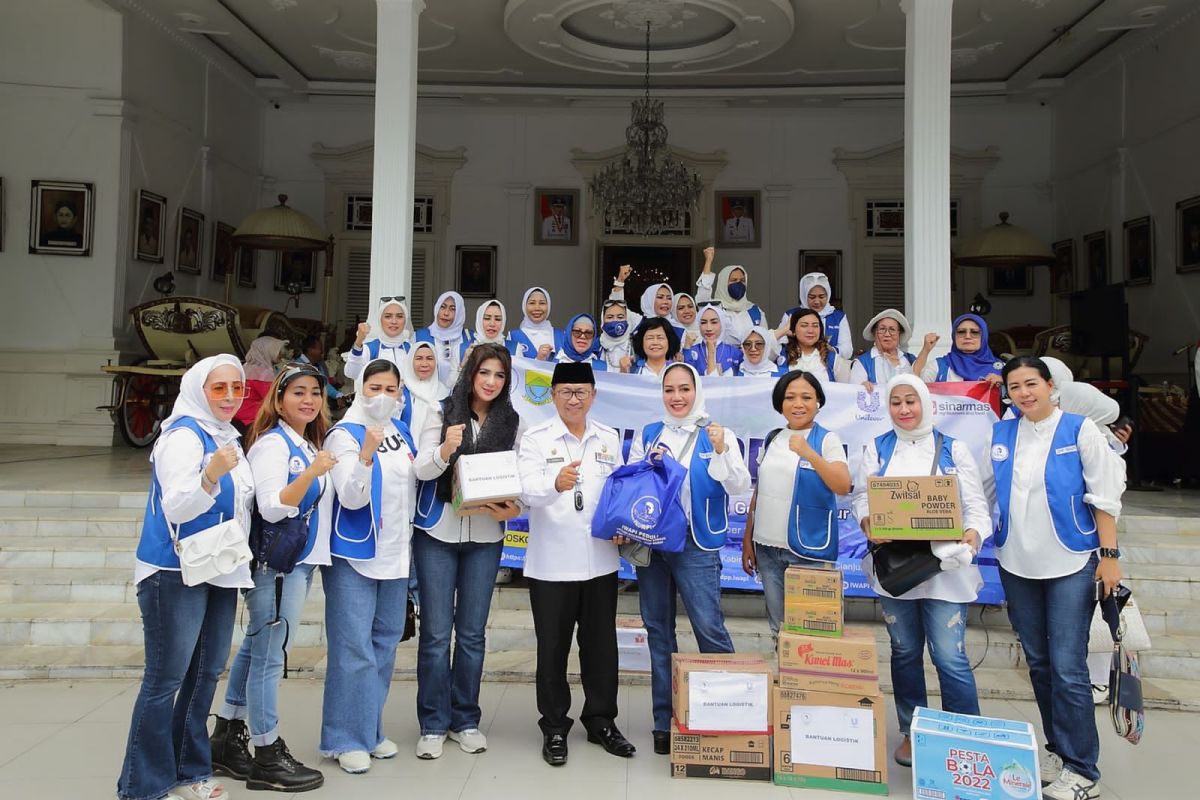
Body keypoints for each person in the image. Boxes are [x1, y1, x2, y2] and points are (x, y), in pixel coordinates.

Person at [117, 354, 253, 800]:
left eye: (238, 387)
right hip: (173, 572)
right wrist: (210, 476)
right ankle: (143, 786)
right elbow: (177, 506)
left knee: (205, 674)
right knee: (166, 679)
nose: (231, 396)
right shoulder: (182, 436)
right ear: (199, 390)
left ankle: (189, 772)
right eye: (220, 388)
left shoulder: (228, 435)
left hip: (219, 567)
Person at [991, 356, 1126, 800]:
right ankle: (1059, 751)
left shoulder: (1079, 429)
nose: (1024, 393)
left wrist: (1109, 556)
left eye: (1032, 383)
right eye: (1015, 386)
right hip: (1017, 563)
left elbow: (1104, 496)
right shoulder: (1003, 433)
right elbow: (984, 491)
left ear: (1050, 386)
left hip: (1071, 560)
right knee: (1040, 664)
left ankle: (1082, 769)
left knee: (1068, 667)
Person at [854, 375, 991, 768]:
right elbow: (862, 496)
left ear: (926, 403)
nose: (904, 410)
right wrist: (868, 522)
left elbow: (977, 505)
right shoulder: (876, 447)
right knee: (905, 651)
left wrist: (973, 534)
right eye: (896, 402)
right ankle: (913, 733)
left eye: (911, 401)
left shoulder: (954, 448)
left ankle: (965, 735)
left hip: (946, 568)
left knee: (950, 656)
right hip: (897, 570)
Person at [211, 363, 333, 792]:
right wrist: (312, 474)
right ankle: (267, 753)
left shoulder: (300, 441)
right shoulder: (273, 445)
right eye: (298, 392)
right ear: (279, 399)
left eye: (315, 393)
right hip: (276, 567)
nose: (308, 400)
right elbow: (272, 506)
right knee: (269, 656)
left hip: (293, 563)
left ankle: (226, 734)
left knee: (257, 647)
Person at [627, 362, 752, 755]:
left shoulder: (717, 432)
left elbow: (739, 485)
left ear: (697, 390)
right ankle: (663, 720)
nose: (677, 397)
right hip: (653, 544)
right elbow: (633, 483)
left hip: (697, 545)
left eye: (684, 389)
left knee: (708, 629)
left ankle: (728, 712)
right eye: (670, 390)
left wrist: (719, 448)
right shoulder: (649, 433)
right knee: (658, 632)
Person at [517, 362, 634, 766]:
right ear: (552, 396)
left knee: (601, 646)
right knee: (552, 648)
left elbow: (619, 491)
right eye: (565, 392)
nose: (573, 399)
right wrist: (554, 484)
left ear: (594, 395)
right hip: (551, 562)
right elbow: (526, 492)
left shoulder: (608, 437)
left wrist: (623, 524)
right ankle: (553, 727)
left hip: (600, 560)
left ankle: (602, 720)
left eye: (581, 391)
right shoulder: (535, 438)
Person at [411, 343, 524, 759]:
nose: (491, 382)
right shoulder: (441, 411)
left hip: (486, 537)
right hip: (438, 533)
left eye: (499, 375)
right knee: (437, 634)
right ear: (470, 374)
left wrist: (515, 505)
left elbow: (521, 479)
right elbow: (420, 468)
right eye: (484, 373)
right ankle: (433, 723)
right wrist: (444, 449)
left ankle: (466, 719)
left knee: (473, 635)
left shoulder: (514, 421)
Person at [319, 359, 420, 774]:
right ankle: (344, 738)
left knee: (384, 643)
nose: (382, 396)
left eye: (390, 388)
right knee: (353, 649)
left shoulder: (401, 431)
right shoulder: (342, 435)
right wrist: (364, 455)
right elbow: (352, 496)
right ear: (360, 388)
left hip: (396, 553)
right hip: (355, 556)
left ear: (400, 392)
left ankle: (369, 729)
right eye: (374, 387)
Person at [742, 371, 850, 638]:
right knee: (779, 629)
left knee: (811, 630)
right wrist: (748, 539)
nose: (798, 404)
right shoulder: (773, 437)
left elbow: (843, 485)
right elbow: (760, 492)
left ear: (818, 402)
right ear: (780, 404)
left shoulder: (827, 439)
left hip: (808, 549)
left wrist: (809, 453)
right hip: (767, 548)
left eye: (806, 397)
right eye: (790, 397)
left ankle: (810, 680)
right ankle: (785, 677)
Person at [695, 248, 765, 344]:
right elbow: (702, 296)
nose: (738, 283)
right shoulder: (715, 308)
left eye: (742, 280)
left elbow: (764, 341)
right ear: (723, 283)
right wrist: (708, 261)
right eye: (733, 280)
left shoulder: (755, 311)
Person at [776, 273, 852, 359]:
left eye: (821, 297)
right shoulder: (791, 315)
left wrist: (830, 349)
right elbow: (778, 345)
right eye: (812, 297)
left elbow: (847, 350)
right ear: (804, 296)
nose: (817, 301)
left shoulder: (838, 317)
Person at [915, 313, 1004, 384]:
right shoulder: (938, 366)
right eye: (961, 332)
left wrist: (1005, 382)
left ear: (984, 336)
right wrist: (925, 350)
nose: (968, 336)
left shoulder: (1002, 369)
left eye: (975, 332)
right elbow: (915, 386)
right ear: (954, 336)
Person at [345, 297, 414, 381]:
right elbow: (352, 373)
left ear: (405, 320)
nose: (394, 321)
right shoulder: (370, 348)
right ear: (380, 320)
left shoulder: (412, 349)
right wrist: (359, 340)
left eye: (399, 316)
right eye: (388, 316)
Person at [851, 309, 917, 393]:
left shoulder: (910, 360)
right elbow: (853, 394)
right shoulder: (862, 362)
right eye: (882, 329)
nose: (887, 334)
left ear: (899, 334)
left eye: (892, 329)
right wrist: (861, 386)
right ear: (874, 333)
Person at [783, 308, 852, 385]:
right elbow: (767, 342)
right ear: (793, 330)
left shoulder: (832, 358)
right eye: (804, 325)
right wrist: (783, 330)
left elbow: (852, 386)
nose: (810, 330)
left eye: (815, 326)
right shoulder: (781, 353)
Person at [400, 341, 450, 443]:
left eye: (430, 358)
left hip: (436, 453)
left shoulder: (445, 392)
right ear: (410, 361)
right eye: (419, 358)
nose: (424, 364)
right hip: (405, 452)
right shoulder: (400, 391)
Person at [236, 337, 288, 432]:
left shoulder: (245, 367)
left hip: (238, 417)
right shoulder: (263, 372)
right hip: (253, 420)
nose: (280, 354)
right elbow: (272, 398)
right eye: (276, 350)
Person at [417, 291, 471, 384]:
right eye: (442, 307)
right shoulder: (420, 336)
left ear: (459, 313)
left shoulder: (470, 339)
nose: (446, 313)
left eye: (452, 309)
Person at [606, 264, 673, 331]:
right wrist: (620, 280)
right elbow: (617, 308)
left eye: (669, 298)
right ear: (649, 300)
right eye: (660, 297)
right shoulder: (637, 322)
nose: (666, 302)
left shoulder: (679, 328)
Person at [683, 304, 741, 376]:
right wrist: (687, 348)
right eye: (703, 322)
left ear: (722, 324)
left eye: (714, 322)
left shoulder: (734, 352)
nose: (708, 328)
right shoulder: (692, 351)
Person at [509, 287, 561, 360]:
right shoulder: (513, 337)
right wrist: (538, 359)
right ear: (524, 306)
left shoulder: (562, 336)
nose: (537, 308)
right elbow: (513, 369)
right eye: (532, 303)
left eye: (542, 303)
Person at [298, 335, 344, 407]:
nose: (322, 352)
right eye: (320, 349)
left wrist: (337, 395)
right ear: (310, 350)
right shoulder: (298, 366)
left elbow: (324, 384)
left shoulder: (318, 365)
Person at [598, 300, 635, 372]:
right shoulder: (594, 347)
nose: (615, 321)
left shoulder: (637, 347)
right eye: (610, 317)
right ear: (603, 320)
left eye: (620, 317)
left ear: (627, 319)